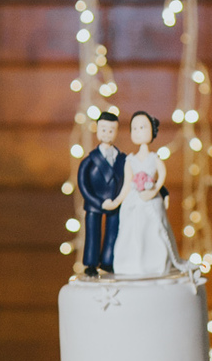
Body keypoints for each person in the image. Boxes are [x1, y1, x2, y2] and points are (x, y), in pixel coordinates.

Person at [103, 110, 185, 279]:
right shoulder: (130, 160)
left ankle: (156, 264)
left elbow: (162, 175)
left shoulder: (154, 158)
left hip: (151, 198)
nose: (138, 131)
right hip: (133, 201)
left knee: (154, 230)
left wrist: (154, 190)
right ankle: (130, 264)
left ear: (152, 131)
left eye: (143, 127)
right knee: (131, 231)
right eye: (134, 128)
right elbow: (127, 184)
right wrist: (117, 201)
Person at [76, 112, 125, 276]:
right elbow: (83, 184)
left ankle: (108, 261)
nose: (107, 134)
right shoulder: (89, 161)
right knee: (92, 233)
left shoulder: (122, 159)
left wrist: (118, 200)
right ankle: (91, 263)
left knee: (113, 233)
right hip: (94, 203)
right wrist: (98, 202)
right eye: (103, 129)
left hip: (116, 202)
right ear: (97, 130)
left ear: (116, 132)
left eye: (111, 130)